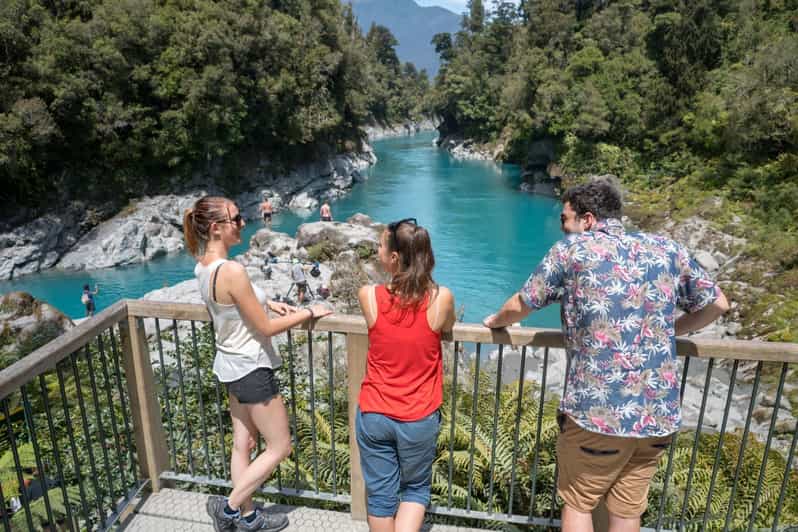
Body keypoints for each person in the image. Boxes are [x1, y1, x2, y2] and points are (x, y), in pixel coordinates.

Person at [483, 179, 729, 532]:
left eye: (565, 219)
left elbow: (524, 303)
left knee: (578, 502)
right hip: (656, 413)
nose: (562, 227)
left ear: (587, 219)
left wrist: (495, 321)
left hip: (598, 412)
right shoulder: (667, 249)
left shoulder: (572, 250)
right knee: (627, 510)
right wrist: (668, 330)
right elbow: (718, 304)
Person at [183, 196, 332, 532]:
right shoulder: (232, 271)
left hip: (229, 364)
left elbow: (233, 307)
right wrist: (309, 312)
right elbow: (264, 329)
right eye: (236, 219)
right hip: (252, 369)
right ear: (216, 228)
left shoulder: (203, 266)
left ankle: (248, 518)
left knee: (242, 445)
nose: (242, 223)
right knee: (280, 447)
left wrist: (269, 302)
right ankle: (229, 508)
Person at [356, 217, 455, 532]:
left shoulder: (368, 296)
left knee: (380, 498)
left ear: (395, 258)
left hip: (374, 412)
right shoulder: (441, 298)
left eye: (381, 247)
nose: (378, 252)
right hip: (418, 416)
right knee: (415, 489)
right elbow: (448, 326)